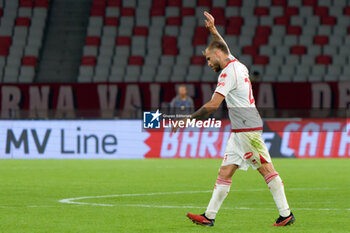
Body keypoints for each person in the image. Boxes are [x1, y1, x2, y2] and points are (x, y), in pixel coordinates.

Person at [171, 11, 295, 227]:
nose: (208, 63)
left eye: (209, 59)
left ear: (218, 55)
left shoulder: (228, 73)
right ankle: (209, 216)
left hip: (246, 129)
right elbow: (223, 47)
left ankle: (286, 214)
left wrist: (186, 120)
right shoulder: (237, 64)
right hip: (240, 130)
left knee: (266, 169)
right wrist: (213, 30)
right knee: (225, 171)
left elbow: (212, 106)